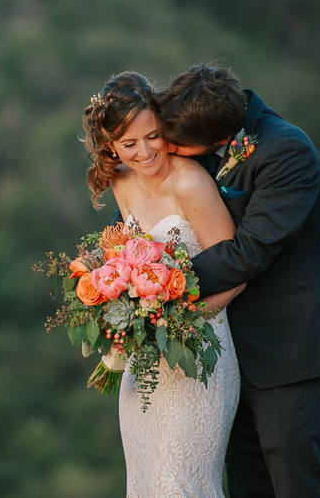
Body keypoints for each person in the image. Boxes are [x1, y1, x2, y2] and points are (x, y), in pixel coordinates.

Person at [153, 64, 320, 497]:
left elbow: (251, 251)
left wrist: (155, 288)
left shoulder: (287, 151)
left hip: (290, 351)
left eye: (176, 144)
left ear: (213, 137)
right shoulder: (202, 138)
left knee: (300, 486)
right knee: (248, 487)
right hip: (231, 356)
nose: (167, 148)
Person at [82, 71, 247, 497]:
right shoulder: (121, 182)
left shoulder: (190, 180)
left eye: (152, 136)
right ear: (111, 147)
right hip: (144, 364)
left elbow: (236, 271)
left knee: (180, 483)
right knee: (145, 484)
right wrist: (101, 279)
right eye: (129, 144)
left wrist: (179, 323)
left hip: (198, 353)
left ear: (164, 126)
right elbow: (129, 253)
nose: (144, 152)